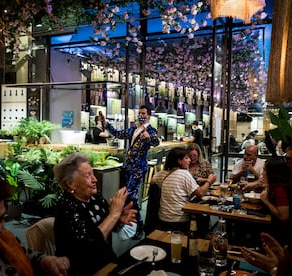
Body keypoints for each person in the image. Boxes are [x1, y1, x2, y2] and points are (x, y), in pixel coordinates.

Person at [53, 153, 137, 276]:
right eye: (88, 176)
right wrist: (113, 215)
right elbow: (90, 245)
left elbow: (105, 226)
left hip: (106, 260)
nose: (95, 179)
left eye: (93, 174)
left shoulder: (94, 197)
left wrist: (118, 219)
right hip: (83, 268)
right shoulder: (67, 207)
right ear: (71, 184)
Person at [104, 104, 160, 239]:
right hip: (128, 166)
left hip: (138, 168)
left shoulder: (151, 130)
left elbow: (156, 141)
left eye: (144, 114)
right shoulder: (134, 128)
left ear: (149, 116)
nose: (141, 116)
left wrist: (149, 138)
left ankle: (139, 227)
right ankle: (136, 227)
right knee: (130, 196)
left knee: (130, 195)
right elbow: (119, 133)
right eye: (140, 113)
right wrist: (106, 123)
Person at [158, 147, 210, 233]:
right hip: (179, 221)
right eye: (186, 158)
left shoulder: (162, 174)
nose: (189, 160)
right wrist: (209, 181)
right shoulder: (184, 174)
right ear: (179, 161)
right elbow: (200, 193)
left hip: (162, 220)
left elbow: (152, 181)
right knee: (202, 222)